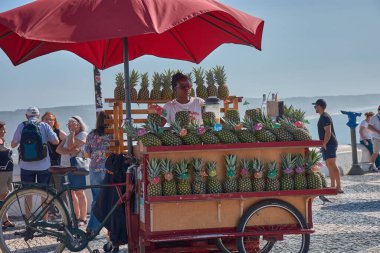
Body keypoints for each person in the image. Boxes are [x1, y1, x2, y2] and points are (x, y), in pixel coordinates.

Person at [84, 111, 112, 235]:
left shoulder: (91, 134)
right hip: (109, 170)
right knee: (111, 200)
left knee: (96, 199)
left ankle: (92, 228)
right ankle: (111, 229)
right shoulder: (113, 134)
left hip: (95, 169)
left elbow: (86, 154)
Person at [57, 116, 88, 226]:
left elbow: (71, 146)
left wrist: (72, 135)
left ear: (78, 124)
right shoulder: (69, 135)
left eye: (72, 124)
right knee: (69, 192)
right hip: (65, 167)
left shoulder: (82, 135)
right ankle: (75, 215)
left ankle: (83, 218)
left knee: (79, 192)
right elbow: (58, 149)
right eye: (68, 124)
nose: (69, 126)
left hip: (76, 167)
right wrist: (69, 150)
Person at [313, 99, 343, 193]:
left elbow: (328, 132)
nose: (315, 108)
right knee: (329, 165)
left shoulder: (325, 117)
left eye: (315, 106)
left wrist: (324, 144)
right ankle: (333, 186)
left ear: (319, 106)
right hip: (327, 144)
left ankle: (339, 187)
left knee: (332, 164)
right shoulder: (323, 116)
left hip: (330, 144)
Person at [42, 112, 67, 190]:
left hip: (57, 163)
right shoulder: (39, 132)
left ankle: (62, 202)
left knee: (60, 188)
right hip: (43, 163)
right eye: (46, 119)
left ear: (54, 121)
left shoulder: (58, 132)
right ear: (42, 121)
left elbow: (69, 143)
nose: (49, 121)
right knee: (47, 188)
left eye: (51, 119)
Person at [0, 121, 14, 229]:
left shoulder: (3, 140)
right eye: (3, 129)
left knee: (6, 195)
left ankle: (4, 219)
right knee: (2, 196)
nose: (5, 131)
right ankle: (4, 219)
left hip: (8, 172)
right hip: (1, 173)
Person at [368, 106, 380, 172]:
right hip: (376, 138)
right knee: (376, 152)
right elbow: (369, 127)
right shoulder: (374, 118)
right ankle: (372, 166)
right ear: (378, 110)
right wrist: (377, 131)